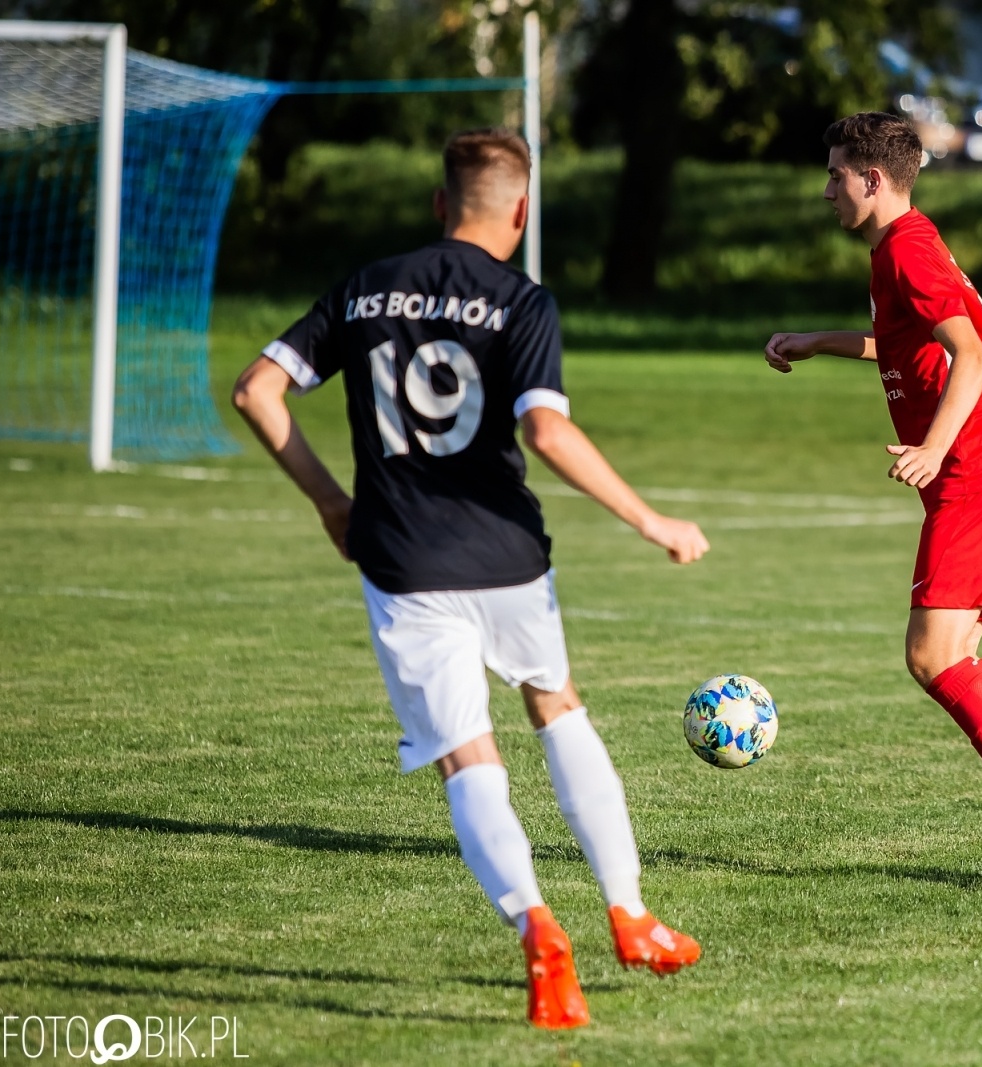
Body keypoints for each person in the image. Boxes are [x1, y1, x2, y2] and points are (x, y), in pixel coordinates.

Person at [232, 127, 708, 1029]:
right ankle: (631, 914)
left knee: (467, 753)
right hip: (505, 554)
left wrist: (334, 505)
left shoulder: (365, 285)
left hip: (402, 556)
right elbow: (548, 433)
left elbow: (258, 388)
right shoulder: (522, 301)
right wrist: (654, 521)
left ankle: (537, 931)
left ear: (438, 205)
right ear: (521, 213)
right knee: (554, 704)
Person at [762, 112, 982, 888]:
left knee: (933, 654)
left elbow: (969, 355)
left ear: (873, 180)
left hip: (981, 468)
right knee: (950, 655)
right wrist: (819, 341)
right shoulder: (904, 245)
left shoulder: (907, 250)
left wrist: (933, 449)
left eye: (837, 174)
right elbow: (912, 343)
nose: (826, 191)